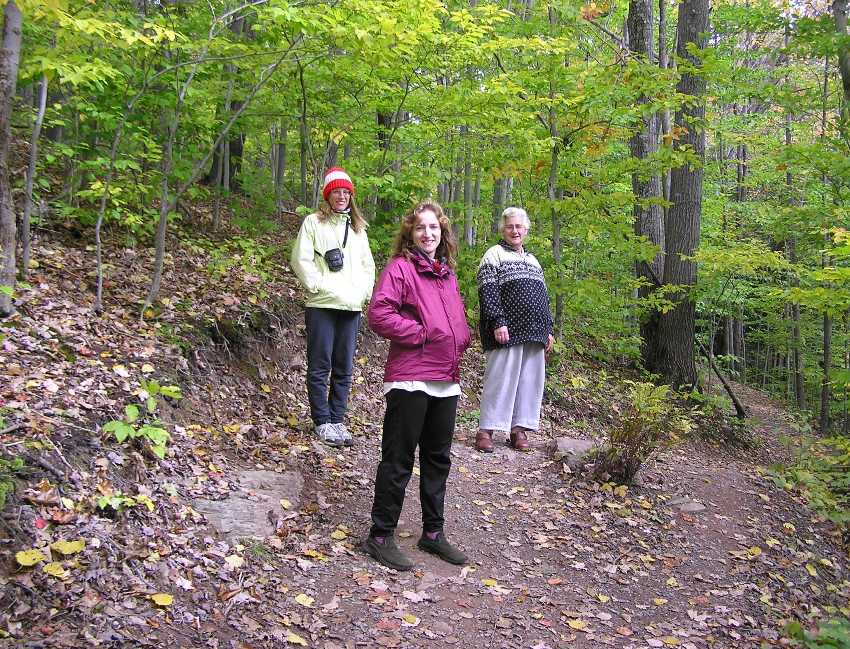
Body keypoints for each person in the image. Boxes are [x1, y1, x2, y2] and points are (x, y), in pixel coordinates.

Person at [363, 200, 472, 571]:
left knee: (438, 458)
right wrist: (421, 333)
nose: (428, 234)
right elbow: (379, 313)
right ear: (410, 232)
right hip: (411, 377)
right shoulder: (401, 269)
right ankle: (380, 536)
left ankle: (433, 534)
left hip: (446, 378)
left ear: (443, 235)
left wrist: (462, 336)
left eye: (434, 228)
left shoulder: (447, 276)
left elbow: (454, 319)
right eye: (421, 227)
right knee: (398, 458)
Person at [290, 167, 375, 447]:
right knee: (320, 365)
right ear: (328, 195)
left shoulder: (358, 228)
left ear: (351, 196)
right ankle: (322, 421)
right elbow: (300, 259)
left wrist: (363, 293)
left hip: (350, 306)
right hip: (322, 304)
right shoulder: (313, 222)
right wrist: (318, 286)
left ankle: (338, 419)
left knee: (344, 366)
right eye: (337, 191)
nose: (342, 196)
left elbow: (367, 266)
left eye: (346, 192)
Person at [475, 206, 554, 453]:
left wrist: (548, 329)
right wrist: (498, 321)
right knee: (499, 380)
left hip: (534, 332)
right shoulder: (494, 254)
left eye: (519, 226)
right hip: (506, 331)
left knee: (529, 382)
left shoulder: (533, 260)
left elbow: (544, 297)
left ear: (526, 230)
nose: (515, 230)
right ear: (503, 229)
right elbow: (487, 291)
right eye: (510, 226)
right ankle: (486, 430)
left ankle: (518, 430)